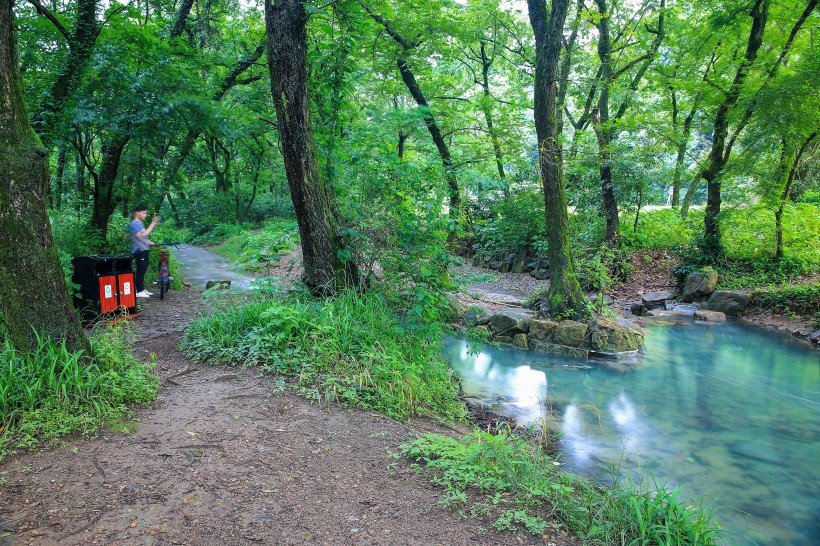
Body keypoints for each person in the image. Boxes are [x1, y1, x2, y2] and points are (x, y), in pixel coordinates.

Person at [130, 205, 158, 298]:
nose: (145, 215)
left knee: (143, 269)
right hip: (139, 250)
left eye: (146, 213)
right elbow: (140, 235)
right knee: (140, 270)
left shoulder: (140, 223)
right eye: (144, 213)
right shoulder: (134, 223)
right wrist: (152, 223)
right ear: (137, 212)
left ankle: (141, 288)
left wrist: (148, 242)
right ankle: (139, 291)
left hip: (144, 249)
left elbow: (143, 237)